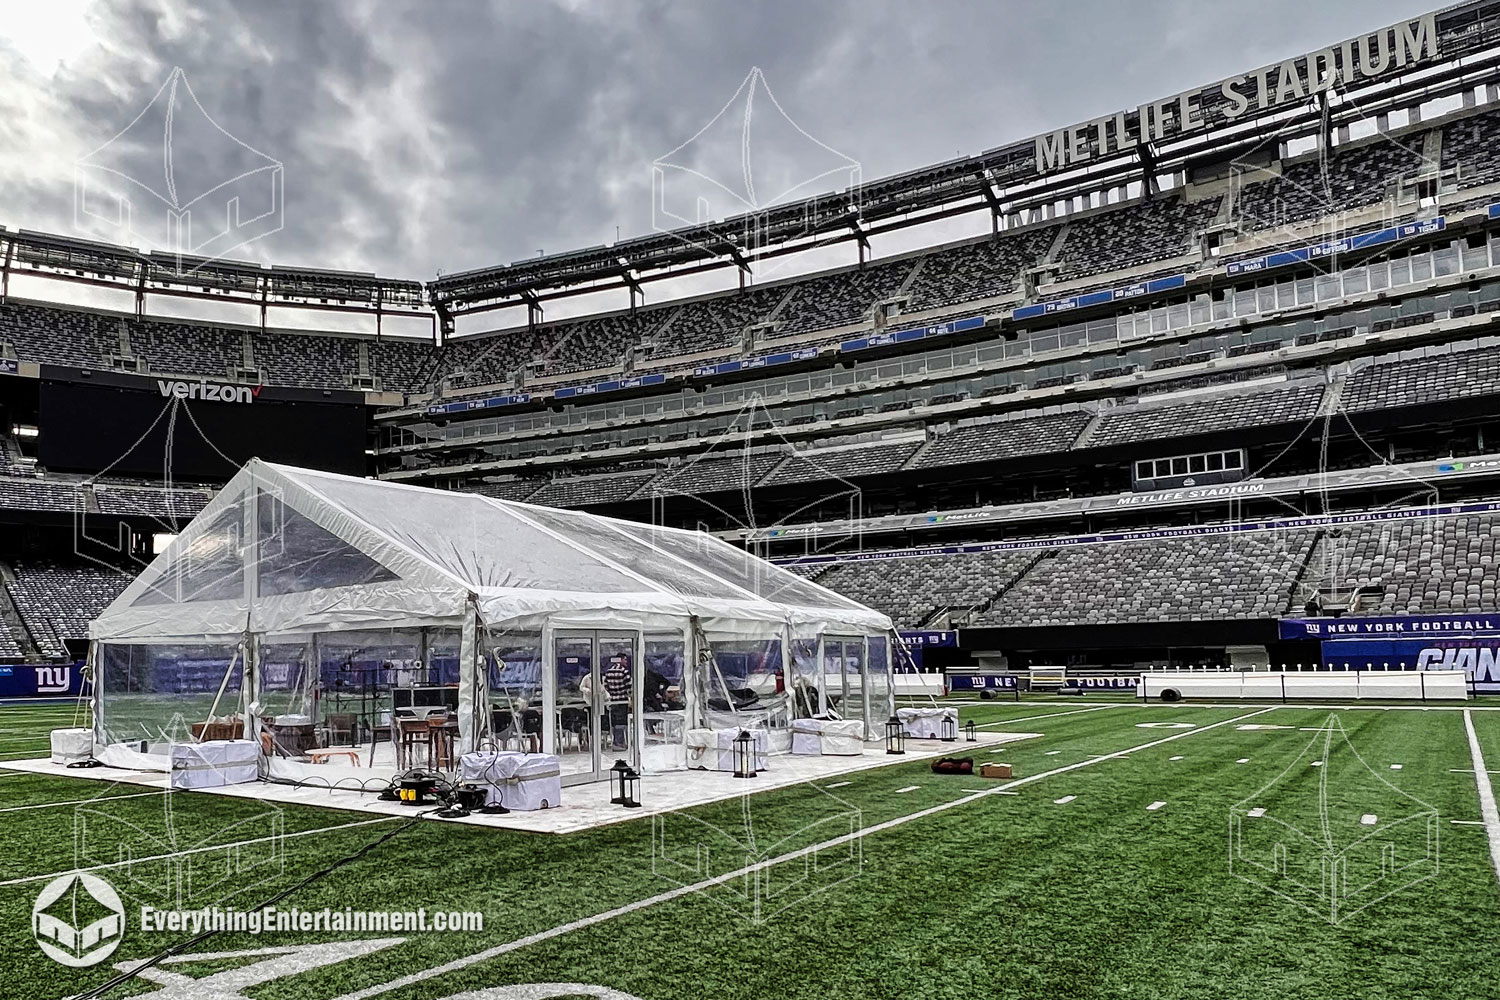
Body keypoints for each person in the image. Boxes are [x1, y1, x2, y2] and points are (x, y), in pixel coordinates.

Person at [603, 653, 632, 749]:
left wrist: (612, 693)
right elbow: (629, 687)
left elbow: (605, 686)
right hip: (622, 700)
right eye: (625, 660)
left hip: (613, 701)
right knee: (622, 722)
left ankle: (616, 741)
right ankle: (619, 742)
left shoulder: (608, 671)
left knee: (615, 722)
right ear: (620, 660)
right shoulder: (624, 672)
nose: (626, 662)